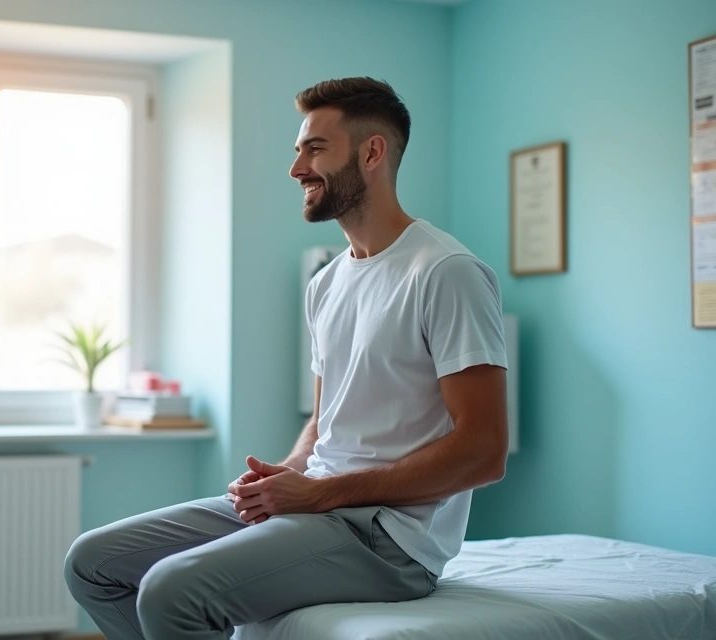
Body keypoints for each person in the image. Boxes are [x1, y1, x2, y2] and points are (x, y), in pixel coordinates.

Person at [63, 77, 509, 640]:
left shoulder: (446, 273)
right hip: (319, 506)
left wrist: (321, 493)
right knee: (92, 563)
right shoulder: (326, 284)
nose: (296, 168)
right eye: (299, 150)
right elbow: (325, 423)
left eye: (315, 149)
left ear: (372, 153)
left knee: (170, 590)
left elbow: (484, 452)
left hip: (389, 538)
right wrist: (288, 473)